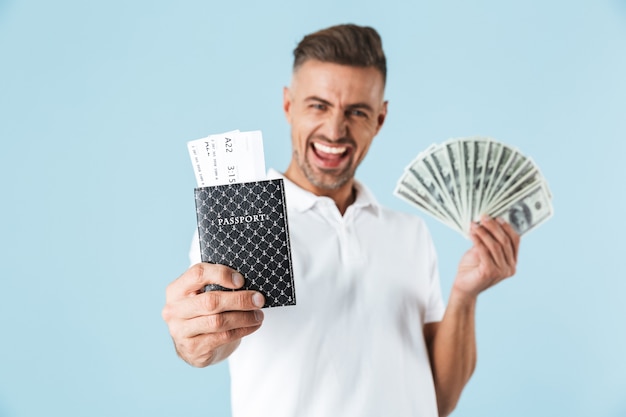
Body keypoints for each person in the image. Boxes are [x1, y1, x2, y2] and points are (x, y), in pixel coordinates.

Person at [162, 24, 520, 417]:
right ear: (288, 106)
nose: (335, 129)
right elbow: (216, 338)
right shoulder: (241, 223)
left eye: (357, 111)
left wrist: (466, 295)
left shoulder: (410, 234)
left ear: (380, 119)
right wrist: (192, 344)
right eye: (318, 105)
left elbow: (437, 398)